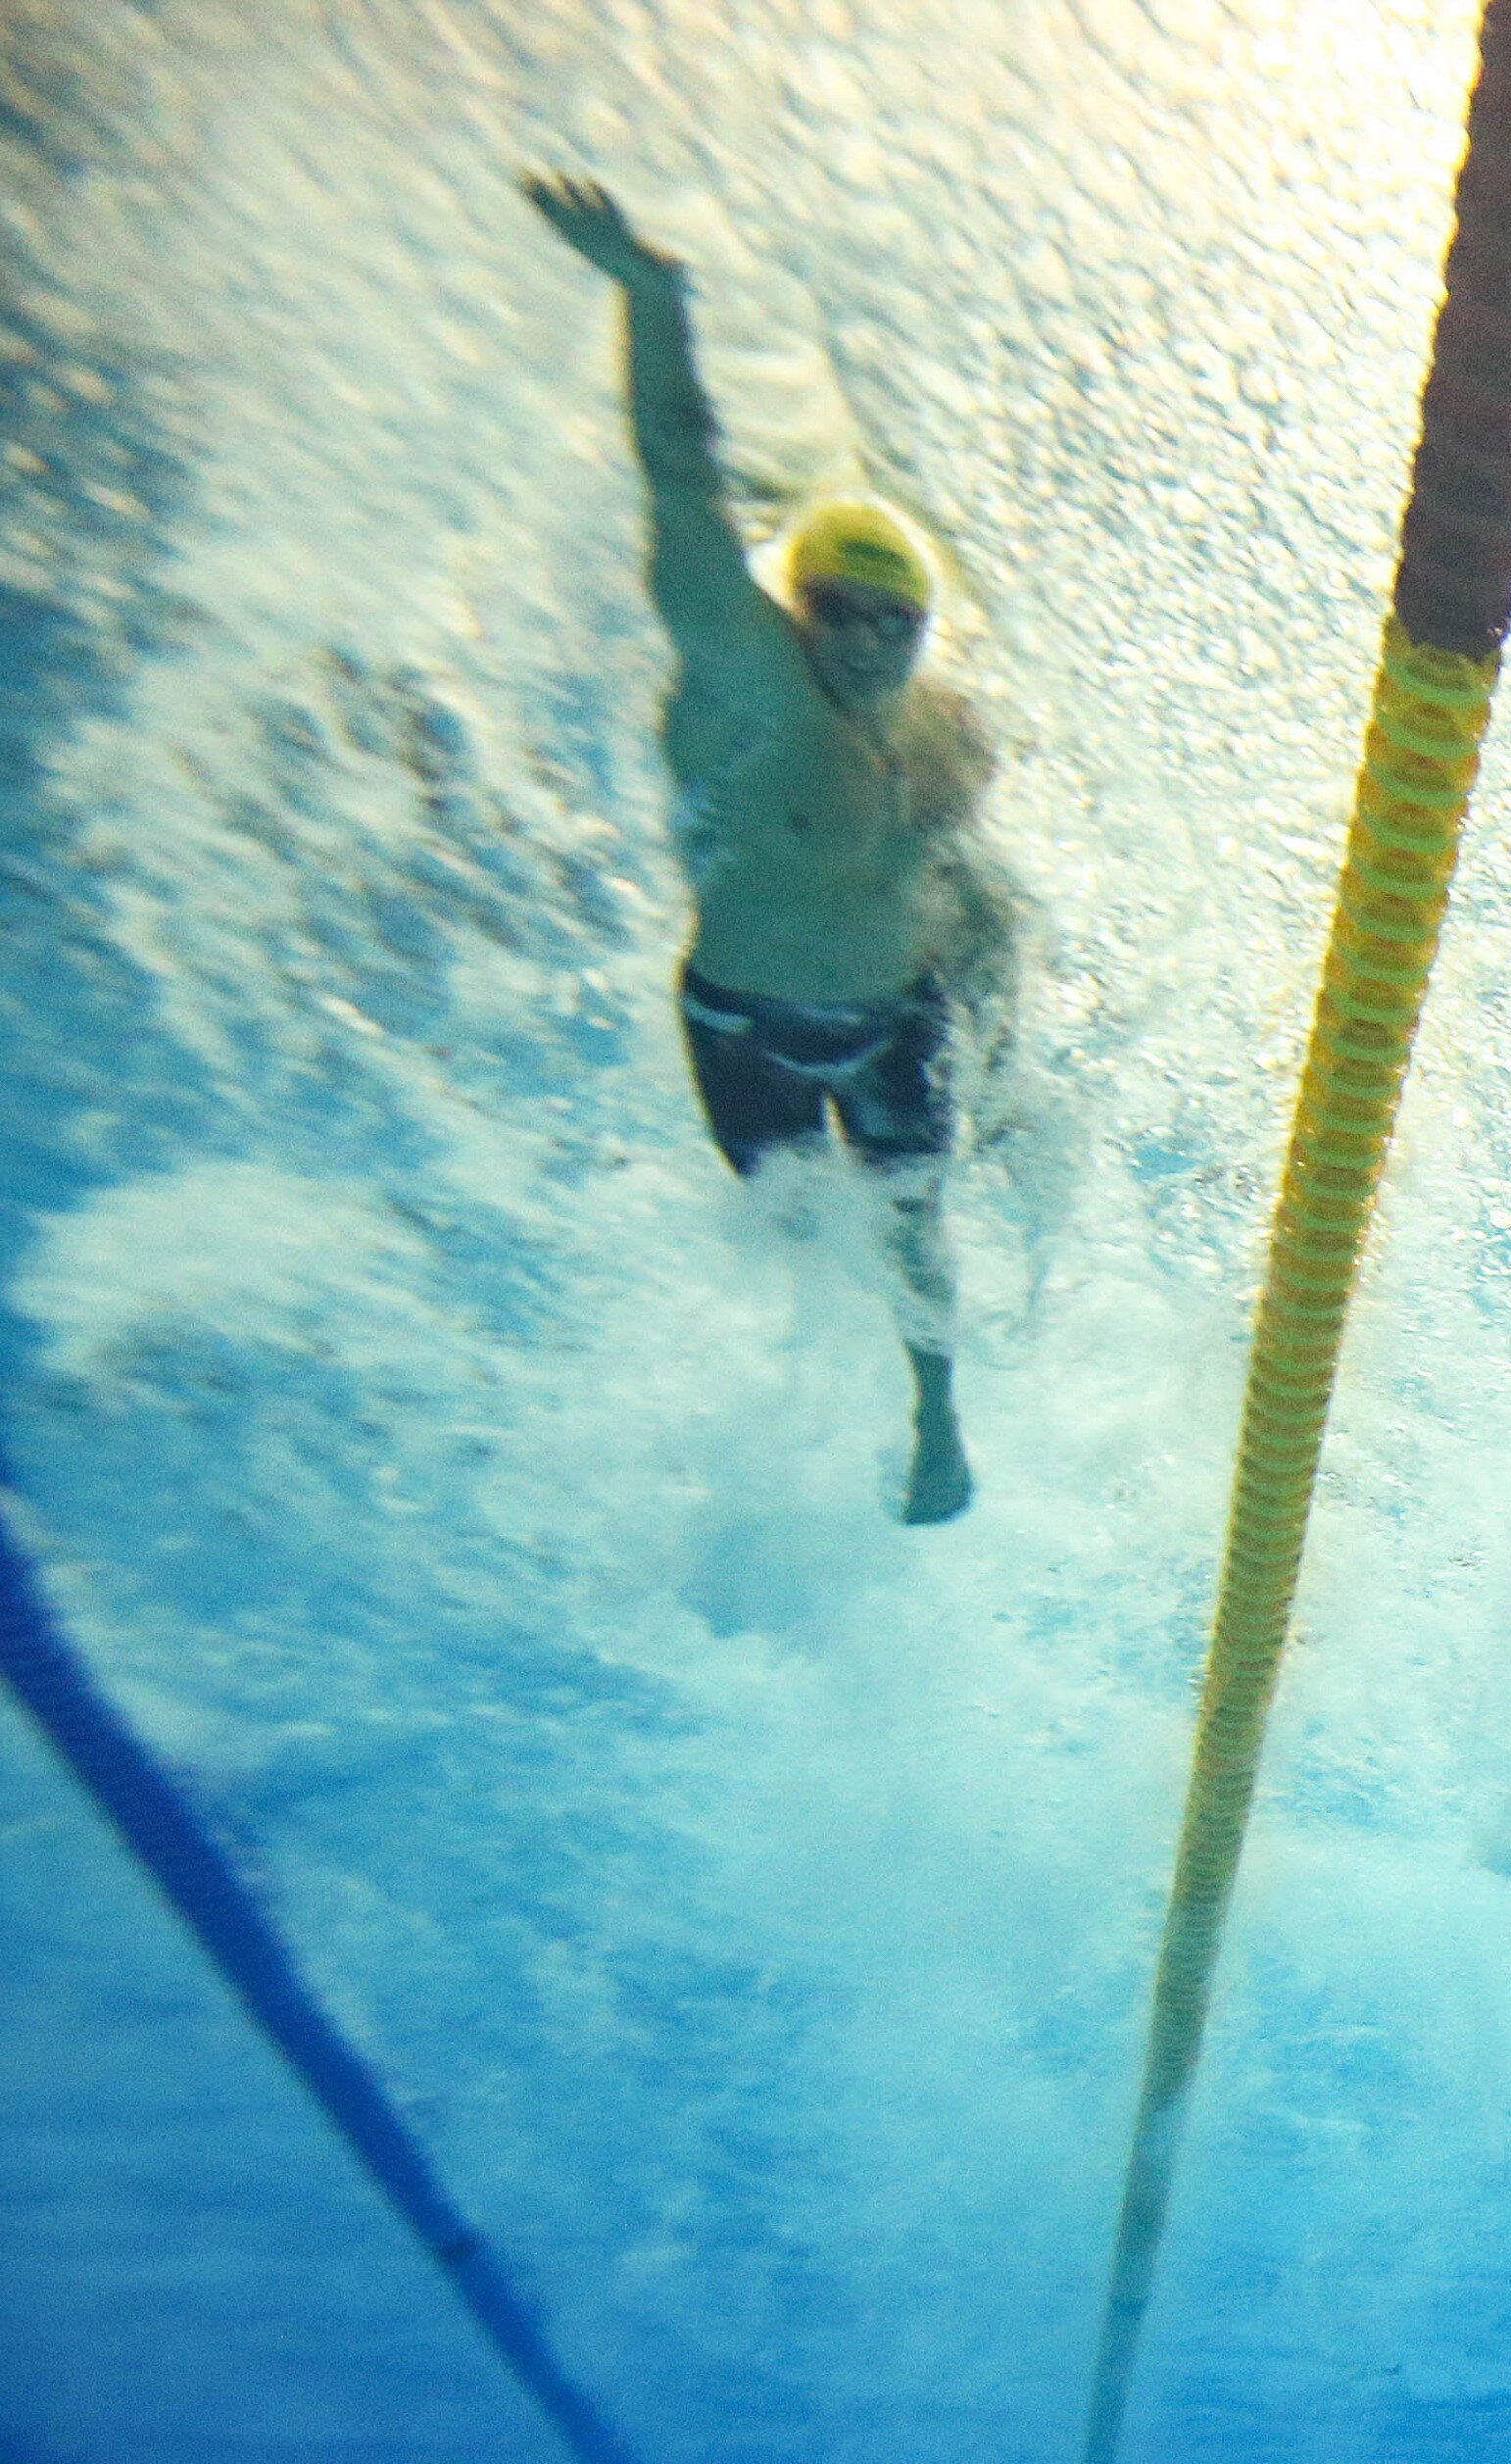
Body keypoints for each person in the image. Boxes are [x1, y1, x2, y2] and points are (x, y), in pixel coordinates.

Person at [526, 172, 1003, 1525]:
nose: (862, 644)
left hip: (897, 1011)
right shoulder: (743, 676)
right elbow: (678, 479)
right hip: (744, 1017)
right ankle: (799, 1439)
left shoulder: (947, 728)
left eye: (889, 624)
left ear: (921, 628)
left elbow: (968, 883)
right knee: (797, 1244)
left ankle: (935, 1427)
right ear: (800, 607)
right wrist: (651, 297)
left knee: (918, 1226)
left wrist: (1001, 1016)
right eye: (838, 615)